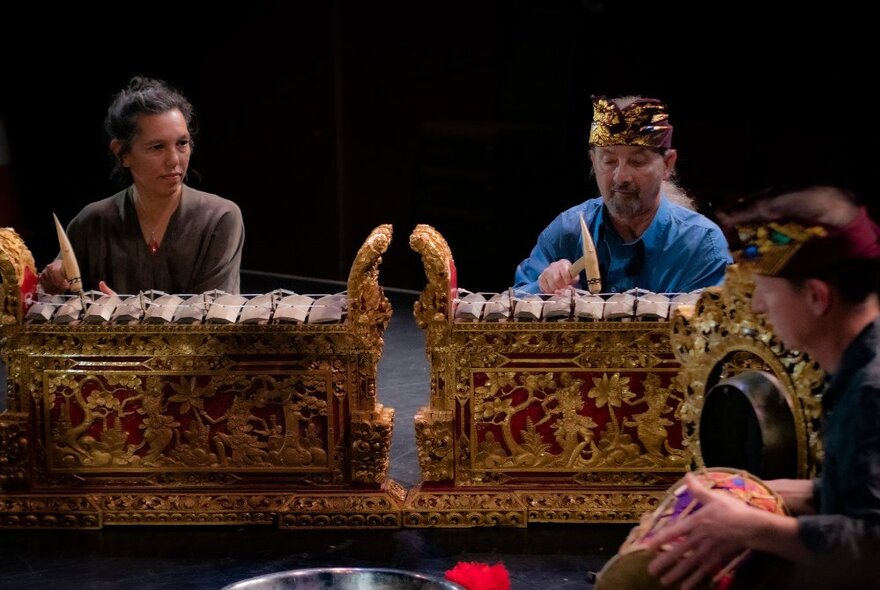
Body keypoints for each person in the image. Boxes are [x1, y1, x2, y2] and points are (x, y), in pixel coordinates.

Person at [644, 185, 880, 589]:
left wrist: (751, 526)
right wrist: (755, 491)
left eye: (766, 289)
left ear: (816, 296)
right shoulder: (855, 371)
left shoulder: (871, 390)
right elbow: (857, 496)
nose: (757, 306)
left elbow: (873, 547)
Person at [39, 76, 244, 295]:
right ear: (122, 153)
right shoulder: (91, 223)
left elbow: (215, 318)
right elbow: (56, 294)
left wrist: (123, 318)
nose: (174, 160)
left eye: (182, 143)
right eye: (157, 147)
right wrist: (53, 282)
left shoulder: (219, 218)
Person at [513, 95, 731, 295]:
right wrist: (542, 289)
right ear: (593, 162)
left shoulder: (700, 245)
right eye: (608, 161)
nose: (621, 177)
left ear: (667, 164)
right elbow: (511, 311)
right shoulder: (566, 233)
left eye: (637, 162)